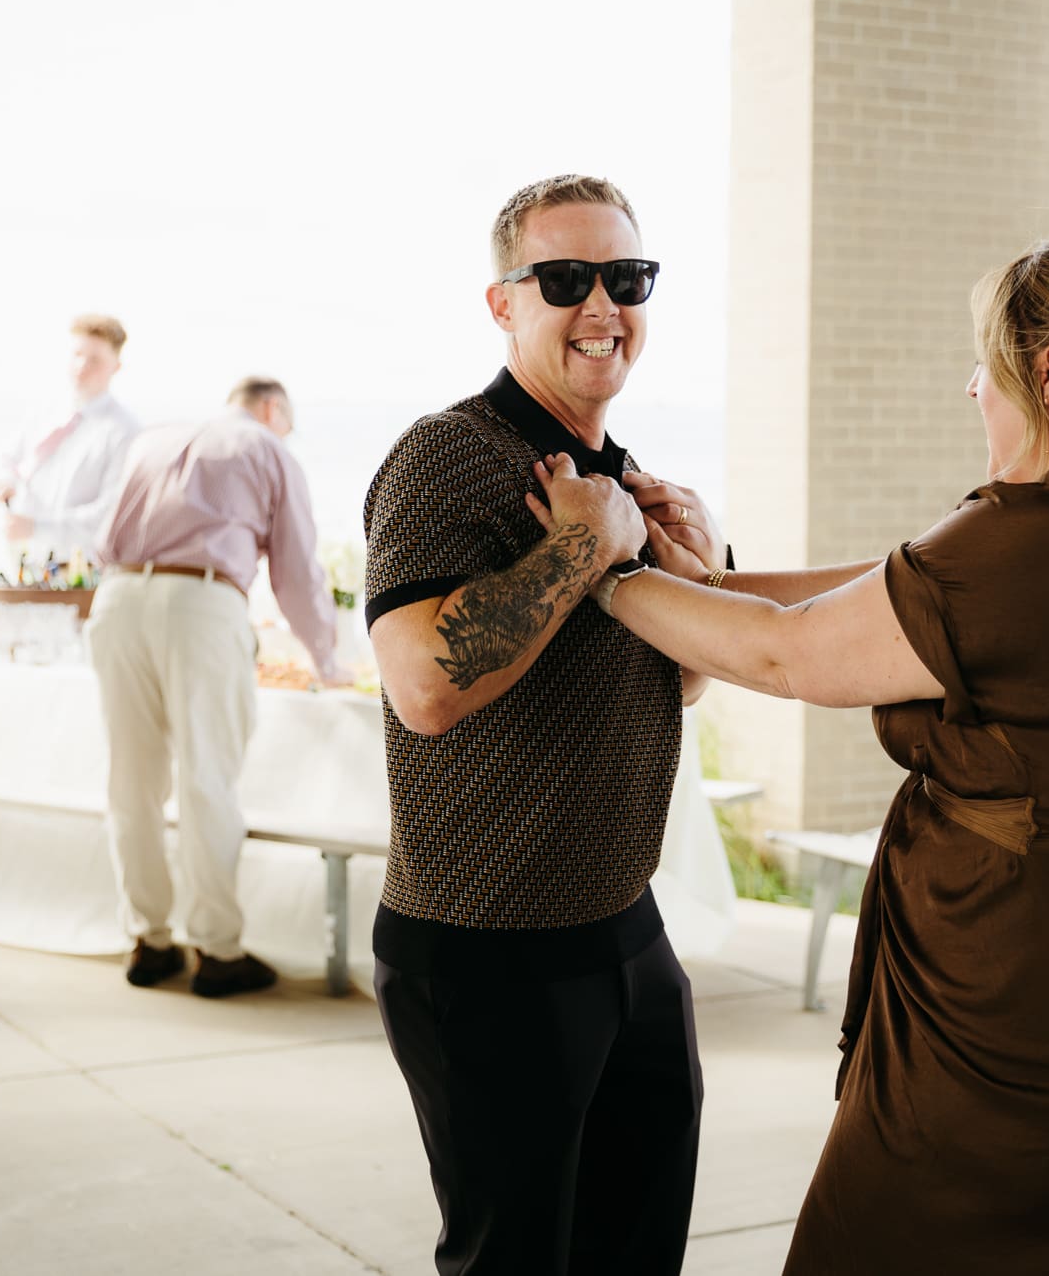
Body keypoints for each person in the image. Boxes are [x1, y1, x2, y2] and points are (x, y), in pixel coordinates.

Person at [576, 217, 1049, 1274]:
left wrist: (611, 573)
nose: (969, 392)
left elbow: (793, 658)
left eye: (981, 367)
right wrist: (702, 580)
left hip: (1034, 1026)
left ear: (1046, 369)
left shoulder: (1024, 544)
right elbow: (877, 595)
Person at [363, 174, 720, 1274]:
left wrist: (701, 571)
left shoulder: (618, 473)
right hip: (486, 956)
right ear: (502, 303)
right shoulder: (447, 457)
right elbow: (422, 686)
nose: (601, 306)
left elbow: (675, 685)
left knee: (636, 1251)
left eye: (625, 278)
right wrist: (577, 549)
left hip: (626, 930)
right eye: (565, 279)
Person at [88, 376, 351, 997]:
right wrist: (326, 657)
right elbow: (295, 568)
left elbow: (102, 531)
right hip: (199, 603)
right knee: (206, 776)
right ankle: (218, 950)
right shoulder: (268, 449)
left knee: (131, 780)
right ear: (272, 408)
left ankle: (148, 942)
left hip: (117, 597)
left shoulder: (153, 440)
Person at [0, 313, 141, 557]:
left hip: (79, 572)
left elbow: (110, 513)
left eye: (95, 360)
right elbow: (6, 461)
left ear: (116, 367)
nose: (82, 367)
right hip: (24, 560)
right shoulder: (42, 413)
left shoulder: (125, 432)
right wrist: (3, 481)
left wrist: (37, 528)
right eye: (77, 355)